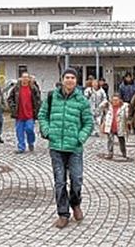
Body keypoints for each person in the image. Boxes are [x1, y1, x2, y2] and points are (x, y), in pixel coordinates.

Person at [37, 68, 94, 229]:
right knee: (60, 182)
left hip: (74, 147)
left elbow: (88, 123)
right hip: (56, 147)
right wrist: (47, 131)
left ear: (76, 81)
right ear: (62, 79)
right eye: (67, 77)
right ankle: (63, 213)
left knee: (76, 179)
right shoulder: (51, 97)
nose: (70, 80)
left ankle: (75, 203)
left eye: (73, 78)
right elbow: (42, 115)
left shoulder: (81, 100)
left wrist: (80, 137)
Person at [7, 72, 42, 153]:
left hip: (30, 114)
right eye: (24, 77)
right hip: (19, 114)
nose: (25, 79)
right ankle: (21, 147)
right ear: (21, 78)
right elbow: (10, 98)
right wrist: (12, 107)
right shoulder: (16, 88)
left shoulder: (33, 88)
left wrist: (37, 110)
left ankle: (31, 142)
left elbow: (38, 100)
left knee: (29, 129)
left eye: (27, 77)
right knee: (19, 132)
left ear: (29, 79)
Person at [98, 94, 129, 160]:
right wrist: (105, 102)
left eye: (116, 100)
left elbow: (127, 115)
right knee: (110, 140)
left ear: (119, 100)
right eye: (113, 100)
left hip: (120, 126)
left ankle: (124, 153)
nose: (115, 101)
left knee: (121, 141)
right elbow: (100, 107)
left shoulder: (124, 106)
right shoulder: (108, 106)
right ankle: (110, 153)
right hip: (110, 126)